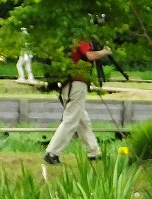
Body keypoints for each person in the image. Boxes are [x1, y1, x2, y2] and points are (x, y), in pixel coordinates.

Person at [43, 37, 113, 165]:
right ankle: (52, 152)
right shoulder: (80, 38)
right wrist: (104, 52)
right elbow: (90, 55)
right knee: (70, 120)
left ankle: (94, 152)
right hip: (77, 84)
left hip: (69, 84)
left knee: (82, 121)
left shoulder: (67, 40)